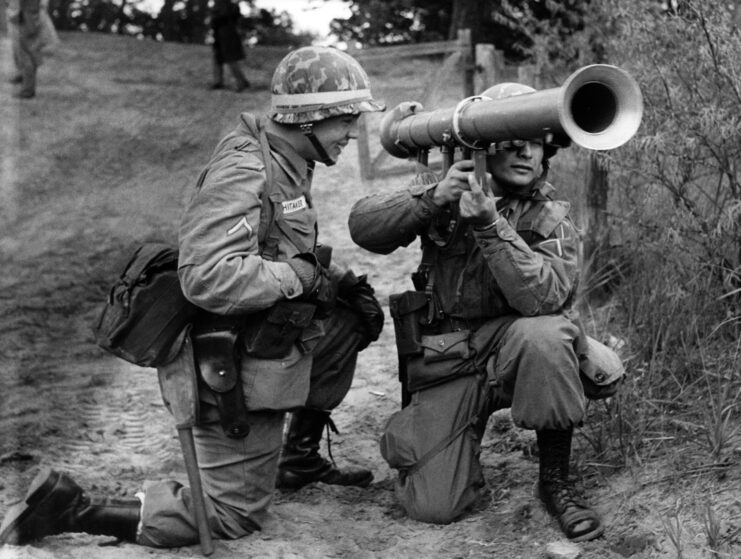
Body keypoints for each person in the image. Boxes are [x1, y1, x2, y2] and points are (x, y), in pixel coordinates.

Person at [0, 46, 385, 548]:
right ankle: (72, 509)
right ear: (312, 116)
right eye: (347, 119)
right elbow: (206, 276)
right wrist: (297, 278)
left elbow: (271, 243)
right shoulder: (247, 170)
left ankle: (297, 456)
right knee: (232, 517)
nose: (353, 132)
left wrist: (331, 278)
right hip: (225, 364)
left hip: (261, 339)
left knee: (348, 314)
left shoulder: (289, 158)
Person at [348, 84, 618, 543]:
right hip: (449, 358)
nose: (524, 153)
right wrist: (433, 197)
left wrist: (490, 226)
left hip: (514, 350)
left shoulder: (550, 217)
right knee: (435, 506)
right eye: (510, 142)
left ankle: (555, 480)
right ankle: (447, 448)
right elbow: (364, 228)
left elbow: (545, 300)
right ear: (480, 149)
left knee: (548, 334)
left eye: (535, 143)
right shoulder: (442, 194)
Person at [209, 0, 250, 92]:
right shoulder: (219, 4)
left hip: (227, 32)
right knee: (218, 57)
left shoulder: (226, 5)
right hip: (219, 33)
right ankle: (218, 81)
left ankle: (241, 82)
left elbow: (225, 17)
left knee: (230, 58)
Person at [7, 0, 43, 99]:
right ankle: (25, 80)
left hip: (24, 16)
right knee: (30, 50)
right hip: (32, 14)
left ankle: (28, 90)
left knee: (24, 54)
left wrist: (13, 15)